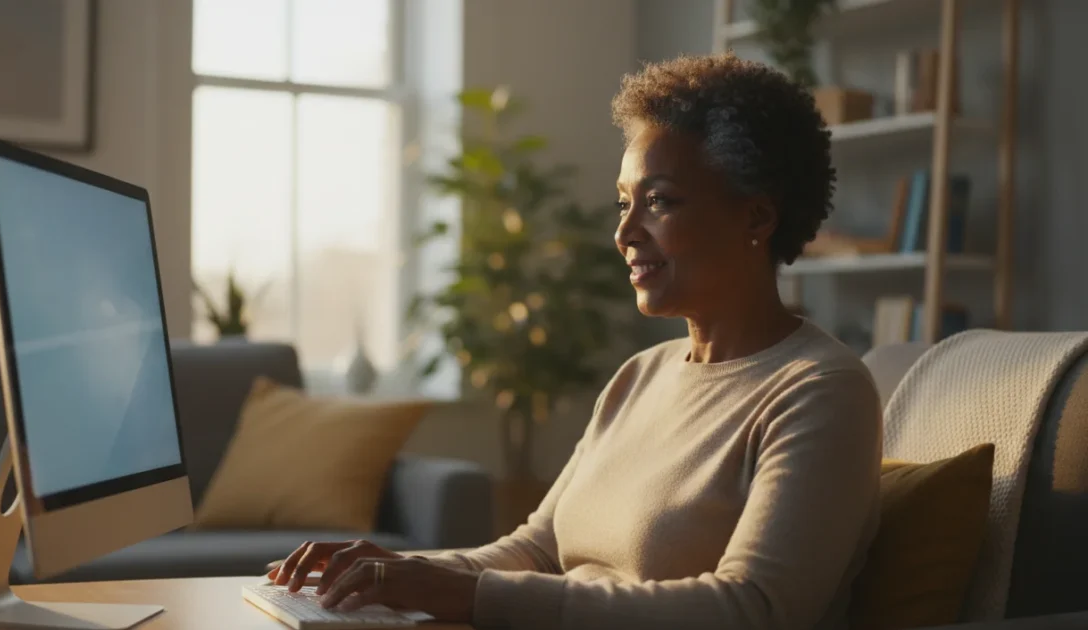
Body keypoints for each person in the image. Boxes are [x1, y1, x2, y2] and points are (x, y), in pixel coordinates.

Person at [267, 52, 883, 630]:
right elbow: (537, 547)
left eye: (659, 201)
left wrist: (467, 594)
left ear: (756, 217)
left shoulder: (820, 391)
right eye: (623, 202)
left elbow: (753, 608)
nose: (624, 233)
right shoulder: (641, 375)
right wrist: (403, 571)